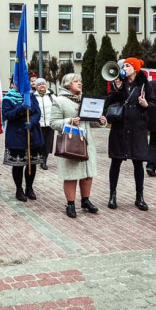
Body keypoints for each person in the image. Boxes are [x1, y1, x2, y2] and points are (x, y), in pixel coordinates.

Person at [49, 73, 106, 218]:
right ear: (68, 84)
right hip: (71, 143)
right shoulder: (59, 101)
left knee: (88, 174)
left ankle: (85, 201)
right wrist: (69, 121)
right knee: (71, 175)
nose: (80, 83)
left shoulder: (85, 100)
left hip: (86, 143)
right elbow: (53, 123)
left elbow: (89, 122)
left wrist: (100, 121)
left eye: (80, 81)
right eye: (76, 81)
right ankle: (70, 204)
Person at [104, 57, 155, 211]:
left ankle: (139, 196)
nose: (124, 67)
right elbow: (110, 100)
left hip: (137, 128)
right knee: (116, 161)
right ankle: (112, 195)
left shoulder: (145, 85)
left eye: (128, 65)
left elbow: (153, 104)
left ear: (135, 68)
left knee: (138, 162)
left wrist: (145, 104)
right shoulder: (118, 83)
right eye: (124, 65)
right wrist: (118, 88)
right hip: (119, 127)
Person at [2, 80, 43, 202]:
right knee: (18, 165)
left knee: (32, 163)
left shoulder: (29, 95)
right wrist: (21, 108)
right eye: (17, 82)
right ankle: (19, 189)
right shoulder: (7, 98)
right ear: (13, 83)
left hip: (32, 134)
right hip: (16, 135)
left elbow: (37, 112)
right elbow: (8, 115)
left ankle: (29, 188)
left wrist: (32, 122)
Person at [34, 78, 56, 171]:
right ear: (36, 87)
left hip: (50, 124)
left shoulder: (51, 96)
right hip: (39, 124)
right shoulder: (33, 96)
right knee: (40, 144)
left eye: (43, 84)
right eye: (39, 85)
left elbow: (58, 107)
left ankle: (44, 161)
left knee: (48, 144)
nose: (42, 86)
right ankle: (40, 158)